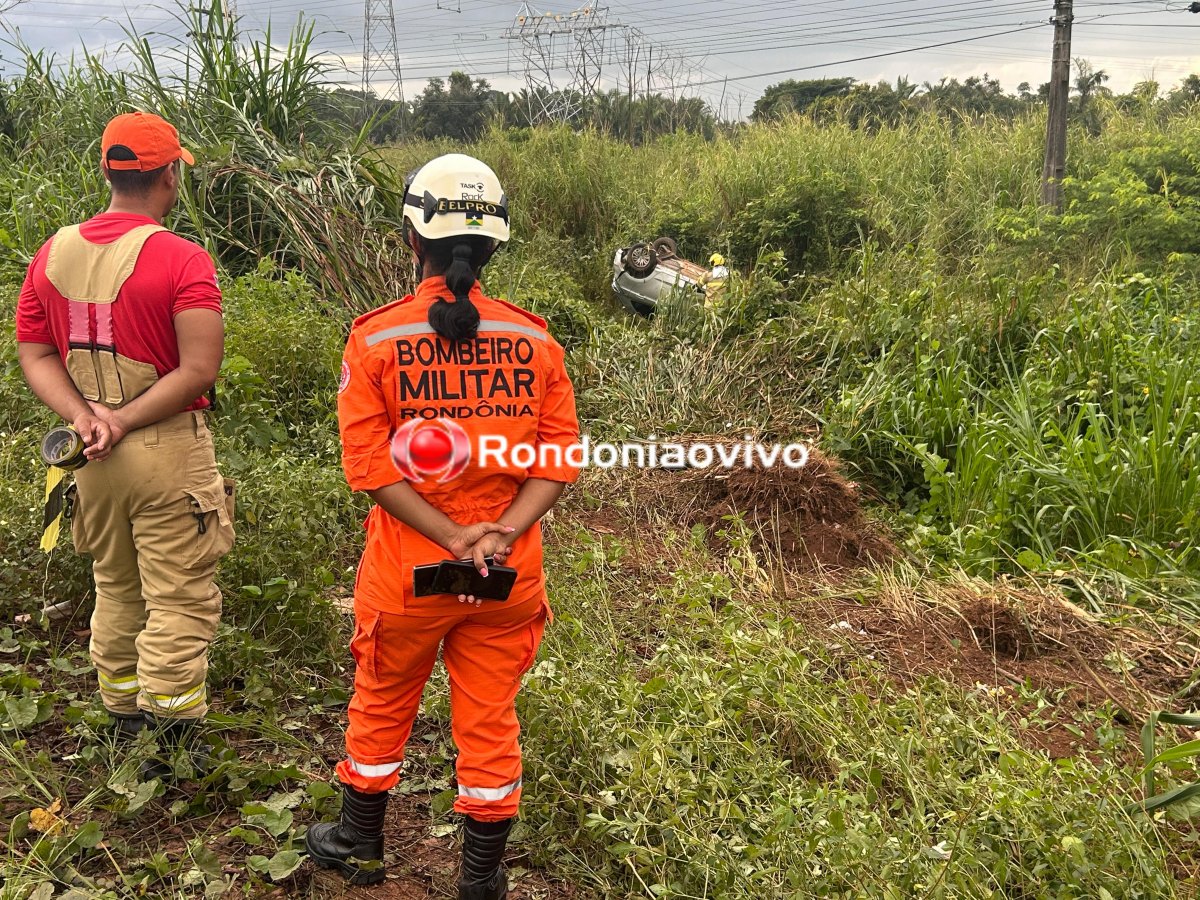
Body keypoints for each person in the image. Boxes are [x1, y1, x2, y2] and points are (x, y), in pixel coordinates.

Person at [305, 153, 580, 899]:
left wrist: (449, 534)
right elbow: (558, 460)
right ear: (493, 247)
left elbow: (369, 468)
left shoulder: (376, 340)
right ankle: (481, 884)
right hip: (507, 573)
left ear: (410, 239)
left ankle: (359, 844)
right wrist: (495, 532)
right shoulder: (538, 342)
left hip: (408, 574)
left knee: (384, 696)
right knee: (490, 719)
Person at [15, 112, 230, 772]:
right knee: (181, 594)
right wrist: (125, 419)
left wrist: (87, 417)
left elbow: (35, 351)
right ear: (169, 176)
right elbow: (199, 368)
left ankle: (119, 720)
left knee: (116, 586)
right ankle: (170, 748)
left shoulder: (52, 253)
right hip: (166, 450)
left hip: (90, 459)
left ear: (107, 172)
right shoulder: (183, 259)